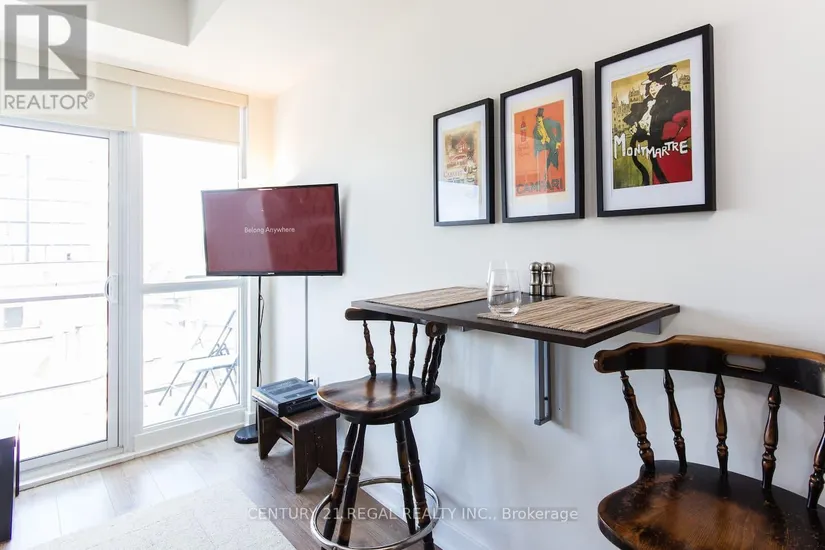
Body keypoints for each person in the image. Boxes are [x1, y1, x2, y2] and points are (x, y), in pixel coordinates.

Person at [533, 107, 562, 186]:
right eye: (537, 119)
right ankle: (545, 181)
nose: (538, 121)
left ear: (542, 118)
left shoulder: (548, 122)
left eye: (540, 119)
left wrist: (558, 141)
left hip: (552, 147)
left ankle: (554, 180)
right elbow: (535, 143)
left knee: (554, 165)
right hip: (543, 150)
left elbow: (558, 125)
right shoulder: (535, 130)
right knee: (544, 166)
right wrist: (536, 153)